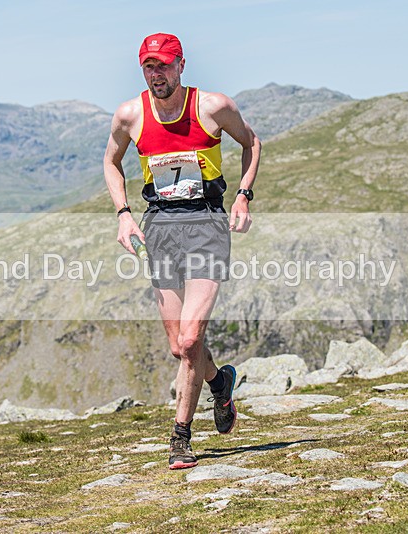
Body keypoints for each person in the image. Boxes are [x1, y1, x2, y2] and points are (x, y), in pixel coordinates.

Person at [103, 33, 262, 469]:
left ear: (181, 65)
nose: (157, 74)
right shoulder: (130, 114)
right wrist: (123, 212)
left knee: (192, 338)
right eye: (149, 67)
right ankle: (220, 381)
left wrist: (244, 195)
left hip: (207, 223)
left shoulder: (212, 106)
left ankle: (180, 436)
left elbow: (252, 142)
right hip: (160, 228)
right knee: (179, 346)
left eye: (164, 65)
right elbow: (111, 161)